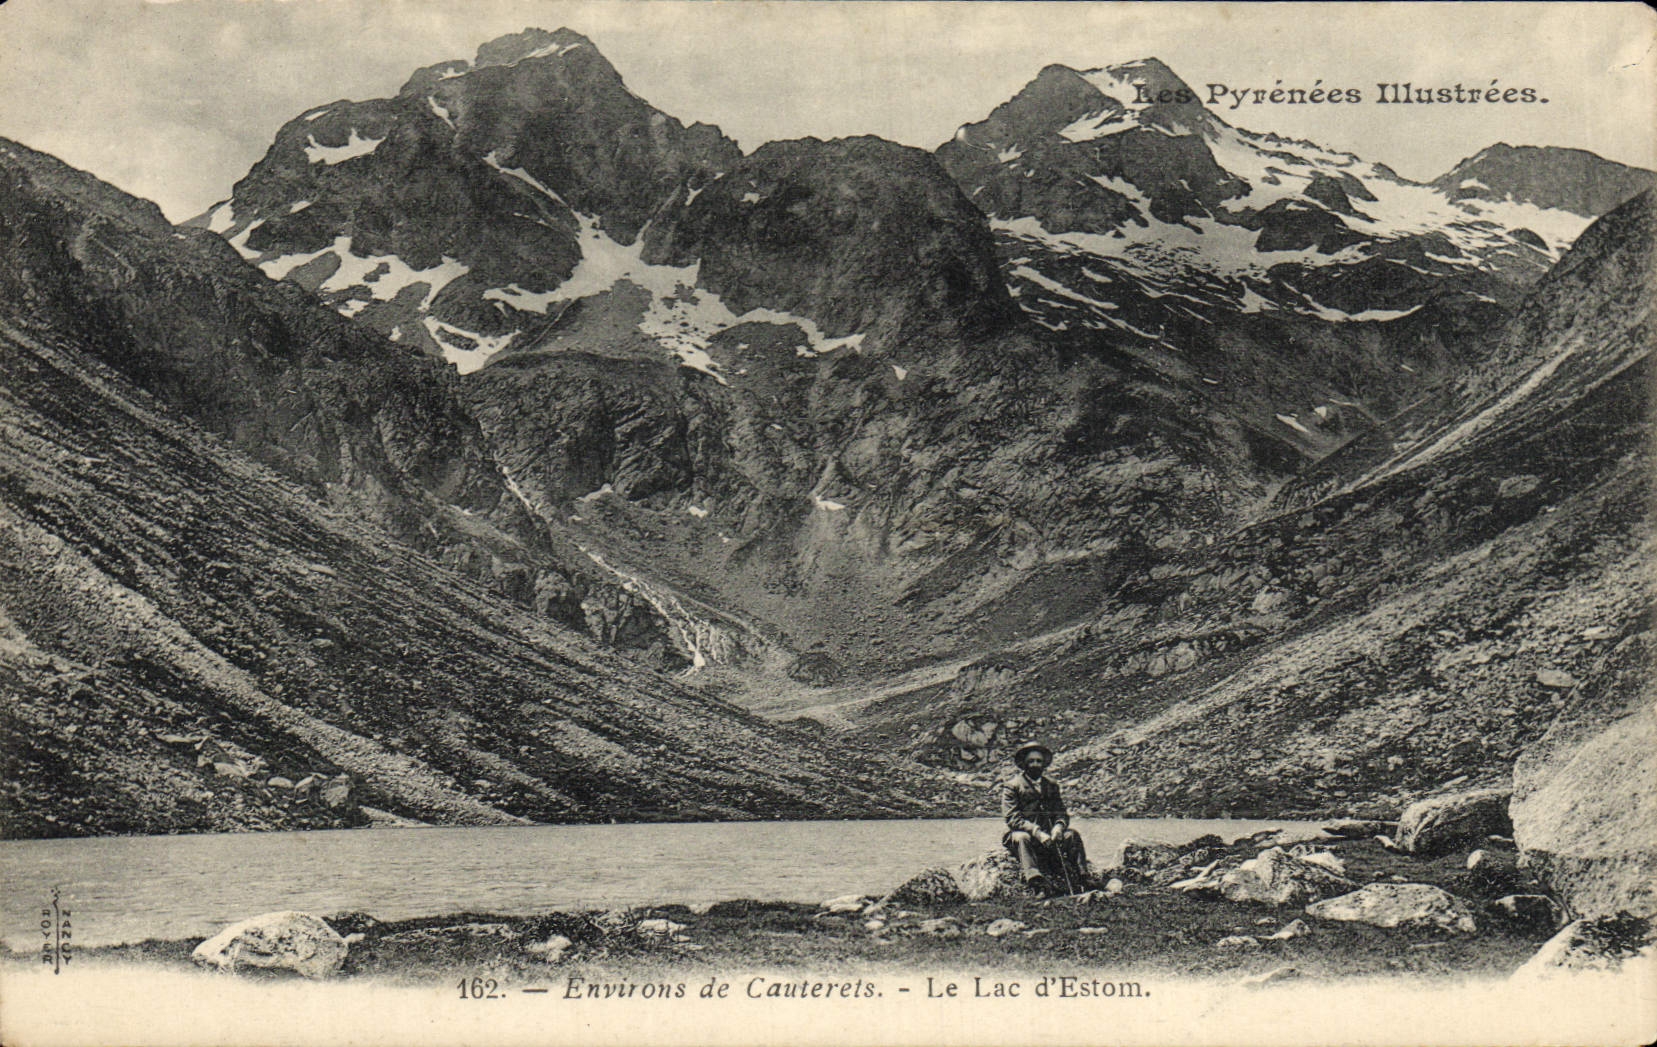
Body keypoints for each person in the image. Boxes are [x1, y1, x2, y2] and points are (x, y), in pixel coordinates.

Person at [1000, 741, 1088, 896]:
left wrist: (1059, 826)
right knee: (1022, 837)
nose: (1035, 765)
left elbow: (1061, 812)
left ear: (1044, 764)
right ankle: (1037, 882)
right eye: (1031, 761)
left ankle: (1084, 877)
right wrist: (1036, 831)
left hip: (1049, 835)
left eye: (1039, 761)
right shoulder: (1012, 786)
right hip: (1025, 835)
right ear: (1024, 764)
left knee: (1072, 835)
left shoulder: (1051, 785)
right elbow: (1012, 818)